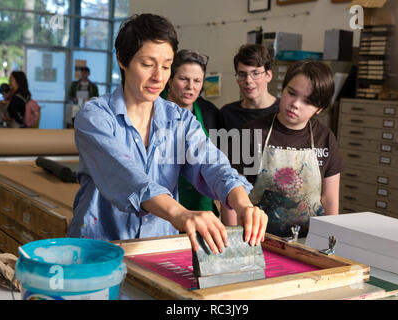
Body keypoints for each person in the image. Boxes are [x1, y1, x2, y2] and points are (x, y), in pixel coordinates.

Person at [68, 14, 268, 254]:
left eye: (166, 66)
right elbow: (127, 177)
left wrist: (243, 204)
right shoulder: (96, 117)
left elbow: (211, 164)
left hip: (157, 250)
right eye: (147, 64)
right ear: (122, 60)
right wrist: (180, 214)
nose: (159, 77)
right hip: (99, 250)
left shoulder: (179, 120)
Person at [224, 60, 342, 238]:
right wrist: (232, 243)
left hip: (310, 242)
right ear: (283, 89)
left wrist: (332, 242)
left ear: (320, 109)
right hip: (257, 240)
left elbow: (329, 200)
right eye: (291, 93)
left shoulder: (324, 138)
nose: (295, 104)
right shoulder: (250, 133)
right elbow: (230, 194)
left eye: (307, 101)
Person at [161, 49, 220, 215]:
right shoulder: (152, 109)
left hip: (200, 207)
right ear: (170, 80)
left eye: (197, 81)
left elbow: (216, 162)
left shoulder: (210, 113)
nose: (191, 87)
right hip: (159, 206)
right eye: (183, 79)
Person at [218, 44, 279, 131]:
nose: (248, 80)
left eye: (255, 73)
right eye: (242, 74)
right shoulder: (227, 114)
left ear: (268, 75)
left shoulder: (282, 111)